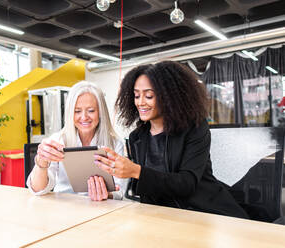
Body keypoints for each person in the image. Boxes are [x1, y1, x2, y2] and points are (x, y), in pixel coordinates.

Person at [94, 61, 248, 218]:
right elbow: (146, 190)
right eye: (136, 95)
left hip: (204, 213)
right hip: (163, 216)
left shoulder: (195, 129)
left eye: (149, 96)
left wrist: (136, 171)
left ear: (169, 96)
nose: (140, 102)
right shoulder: (137, 137)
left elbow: (187, 183)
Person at [27, 81, 128, 201]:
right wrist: (41, 161)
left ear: (100, 112)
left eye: (91, 110)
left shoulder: (115, 144)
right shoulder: (58, 141)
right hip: (65, 207)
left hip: (101, 208)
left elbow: (120, 192)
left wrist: (107, 195)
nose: (84, 117)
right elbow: (38, 189)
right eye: (77, 111)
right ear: (70, 113)